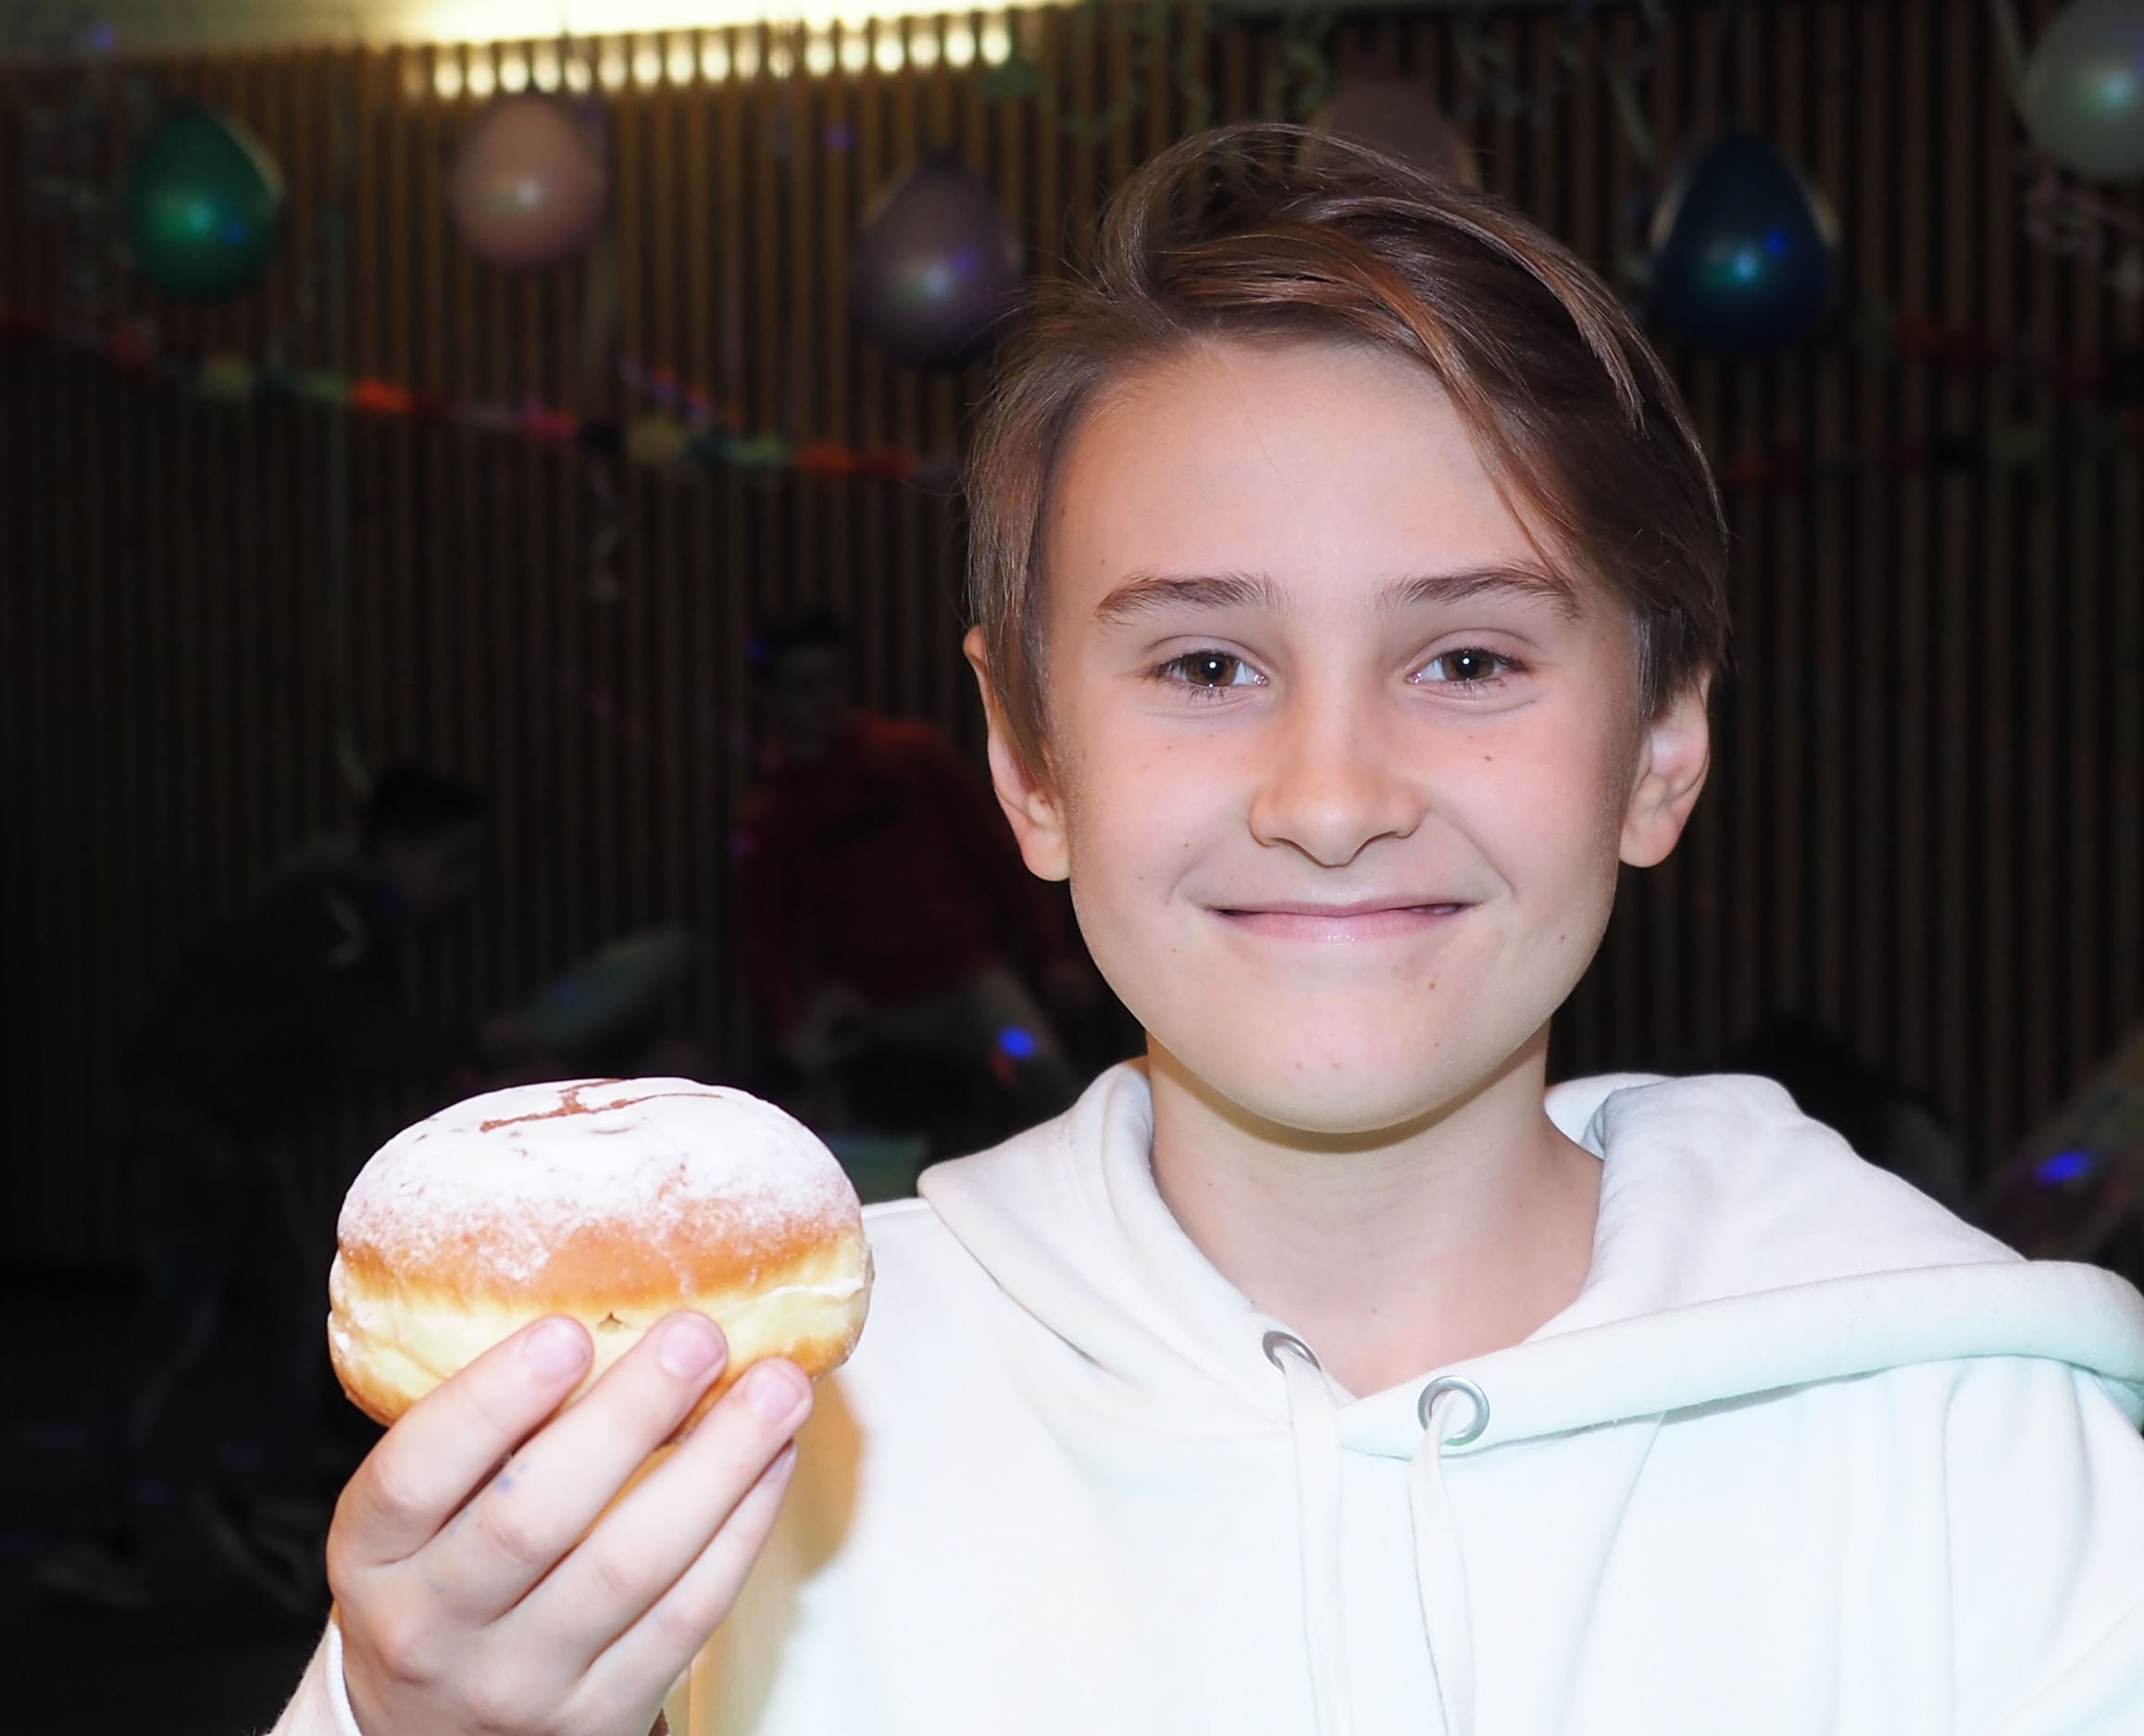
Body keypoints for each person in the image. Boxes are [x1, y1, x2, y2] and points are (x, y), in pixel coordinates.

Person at [267, 128, 2144, 1735]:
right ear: (1027, 761)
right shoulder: (724, 1446)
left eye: (1467, 658)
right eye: (1204, 664)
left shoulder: (1971, 1441)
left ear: (1658, 751)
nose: (1328, 797)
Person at [41, 765, 536, 1617]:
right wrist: (479, 1040)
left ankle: (282, 1501)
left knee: (295, 1305)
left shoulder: (342, 910)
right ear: (396, 846)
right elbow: (359, 1041)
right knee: (180, 1323)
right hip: (190, 1127)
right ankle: (91, 1526)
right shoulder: (329, 915)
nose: (457, 888)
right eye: (449, 863)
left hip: (227, 1132)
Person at [736, 611, 1094, 1139]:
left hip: (966, 980)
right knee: (820, 1119)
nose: (822, 700)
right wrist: (791, 1029)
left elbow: (996, 857)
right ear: (772, 696)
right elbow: (767, 937)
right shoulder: (771, 814)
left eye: (833, 680)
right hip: (864, 1001)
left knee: (1042, 1076)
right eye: (803, 686)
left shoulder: (911, 756)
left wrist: (1052, 956)